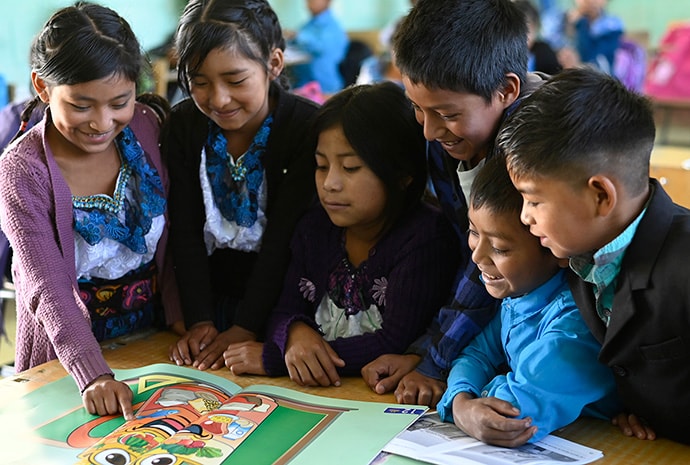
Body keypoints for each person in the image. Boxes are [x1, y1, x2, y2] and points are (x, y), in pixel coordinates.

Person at [0, 2, 183, 420]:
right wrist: (93, 373)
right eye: (81, 106)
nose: (102, 122)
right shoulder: (20, 171)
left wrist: (182, 318)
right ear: (43, 88)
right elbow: (47, 286)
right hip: (68, 364)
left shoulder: (147, 127)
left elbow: (174, 236)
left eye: (119, 101)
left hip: (155, 346)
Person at [361, 0, 547, 408]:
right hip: (493, 330)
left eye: (445, 113)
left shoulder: (541, 149)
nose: (428, 130)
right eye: (417, 108)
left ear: (507, 90)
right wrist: (426, 351)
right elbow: (472, 254)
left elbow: (492, 261)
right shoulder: (452, 135)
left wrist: (435, 361)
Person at [498, 67, 690, 445]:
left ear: (601, 195)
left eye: (534, 199)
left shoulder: (683, 266)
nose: (524, 216)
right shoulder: (581, 256)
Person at [222, 82, 460, 387]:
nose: (330, 183)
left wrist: (277, 357)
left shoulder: (425, 238)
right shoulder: (314, 228)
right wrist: (296, 333)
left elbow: (393, 341)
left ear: (402, 175)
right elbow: (283, 309)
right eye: (322, 166)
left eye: (350, 168)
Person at [164, 0, 320, 372]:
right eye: (198, 83)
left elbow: (285, 238)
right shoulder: (184, 125)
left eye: (235, 80)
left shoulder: (304, 128)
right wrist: (200, 319)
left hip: (284, 306)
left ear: (274, 64)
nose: (218, 99)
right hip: (205, 302)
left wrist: (246, 326)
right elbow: (184, 230)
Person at [436, 155, 619, 447]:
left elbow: (513, 411)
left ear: (555, 248)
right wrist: (461, 401)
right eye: (473, 232)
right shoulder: (518, 298)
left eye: (499, 248)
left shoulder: (575, 320)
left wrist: (469, 402)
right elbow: (475, 355)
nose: (478, 257)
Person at [287, 0, 349, 93]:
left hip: (324, 87)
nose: (309, 2)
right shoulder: (309, 24)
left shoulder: (333, 26)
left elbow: (320, 46)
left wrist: (298, 36)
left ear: (328, 2)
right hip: (303, 83)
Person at [557, 0, 624, 73]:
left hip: (599, 78)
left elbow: (590, 56)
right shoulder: (560, 19)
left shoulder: (612, 24)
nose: (590, 1)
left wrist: (581, 23)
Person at [513, 0, 561, 75]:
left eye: (528, 30)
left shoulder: (545, 52)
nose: (523, 37)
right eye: (517, 30)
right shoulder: (502, 55)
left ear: (535, 28)